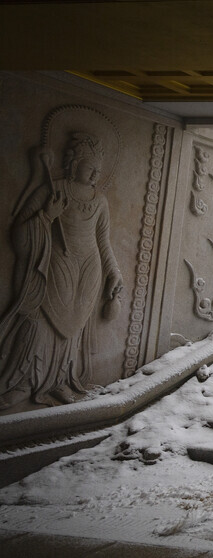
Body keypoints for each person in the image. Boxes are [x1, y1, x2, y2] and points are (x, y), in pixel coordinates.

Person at [0, 133, 123, 410]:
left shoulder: (99, 200)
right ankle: (24, 382)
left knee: (71, 333)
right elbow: (17, 234)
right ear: (74, 163)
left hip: (87, 272)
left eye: (99, 171)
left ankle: (60, 381)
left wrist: (114, 272)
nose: (95, 174)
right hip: (54, 268)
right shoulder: (52, 189)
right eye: (90, 167)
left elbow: (103, 242)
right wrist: (46, 216)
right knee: (39, 324)